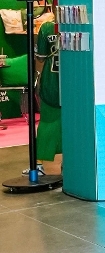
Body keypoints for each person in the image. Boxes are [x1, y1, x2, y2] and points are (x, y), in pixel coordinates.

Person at [34, 9, 62, 175]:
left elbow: (40, 59)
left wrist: (38, 79)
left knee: (48, 124)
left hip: (51, 84)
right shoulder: (82, 27)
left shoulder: (47, 28)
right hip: (75, 85)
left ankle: (40, 165)